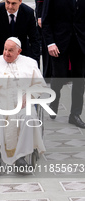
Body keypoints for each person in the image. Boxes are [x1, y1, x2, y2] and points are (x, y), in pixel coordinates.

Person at [0, 37, 46, 168]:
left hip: (22, 103)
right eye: (5, 49)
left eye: (10, 50)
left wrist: (29, 95)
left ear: (19, 51)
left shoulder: (30, 63)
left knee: (29, 117)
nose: (6, 53)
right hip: (0, 102)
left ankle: (21, 158)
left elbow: (40, 85)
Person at [42, 0, 85, 128]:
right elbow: (46, 20)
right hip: (59, 42)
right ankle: (54, 101)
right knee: (59, 75)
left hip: (80, 42)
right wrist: (50, 43)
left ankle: (75, 114)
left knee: (79, 79)